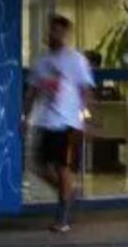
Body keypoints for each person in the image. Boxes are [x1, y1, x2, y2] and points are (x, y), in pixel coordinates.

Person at [26, 14, 94, 233]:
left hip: (68, 123)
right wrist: (25, 117)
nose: (53, 34)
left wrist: (84, 118)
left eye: (58, 31)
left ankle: (62, 218)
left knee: (62, 167)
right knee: (39, 166)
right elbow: (32, 92)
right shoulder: (41, 62)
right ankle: (68, 192)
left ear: (65, 34)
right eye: (51, 30)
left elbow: (85, 90)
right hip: (46, 122)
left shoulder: (76, 60)